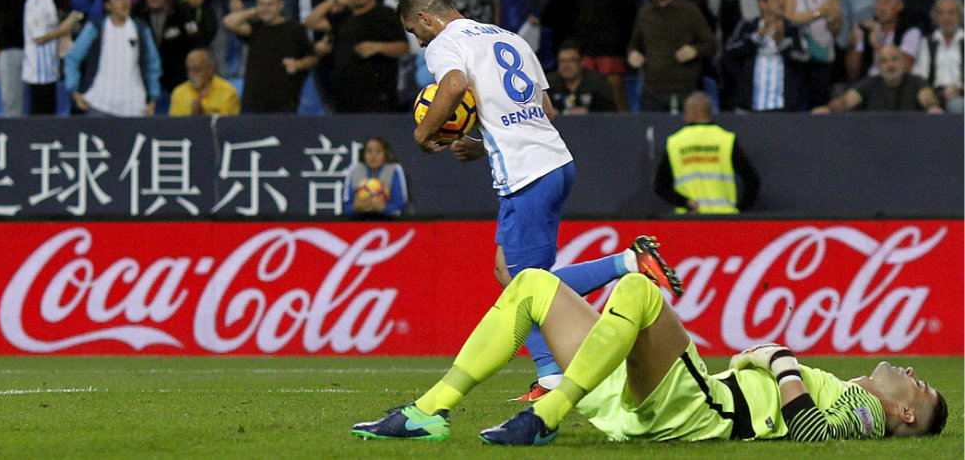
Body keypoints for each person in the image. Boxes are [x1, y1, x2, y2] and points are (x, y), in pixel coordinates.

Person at [351, 238, 949, 446]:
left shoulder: (866, 412)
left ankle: (548, 414)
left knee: (638, 290)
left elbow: (808, 432)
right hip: (653, 398)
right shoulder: (849, 392)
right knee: (533, 285)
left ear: (903, 411)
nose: (910, 372)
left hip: (698, 412)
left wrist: (780, 359)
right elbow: (753, 368)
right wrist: (761, 361)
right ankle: (428, 413)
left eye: (918, 388)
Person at [395, 0, 683, 402]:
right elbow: (546, 109)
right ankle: (549, 371)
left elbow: (453, 87)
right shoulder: (508, 37)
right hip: (555, 162)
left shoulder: (445, 43)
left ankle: (627, 264)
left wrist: (423, 133)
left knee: (529, 288)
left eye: (413, 30)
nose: (418, 41)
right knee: (506, 272)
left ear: (424, 17)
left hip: (527, 174)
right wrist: (484, 143)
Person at [304, 0, 409, 112]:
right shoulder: (343, 16)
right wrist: (333, 1)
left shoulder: (385, 14)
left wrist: (378, 47)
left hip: (378, 97)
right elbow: (311, 22)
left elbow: (404, 47)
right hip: (345, 97)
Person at [64, 0, 162, 117]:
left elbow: (153, 64)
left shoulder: (140, 29)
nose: (124, 2)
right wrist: (74, 91)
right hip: (98, 105)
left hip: (135, 107)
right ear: (107, 5)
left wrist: (152, 98)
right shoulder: (95, 28)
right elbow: (72, 58)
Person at [627, 0, 716, 113]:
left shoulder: (690, 11)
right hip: (652, 90)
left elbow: (712, 44)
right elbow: (634, 45)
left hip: (684, 89)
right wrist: (632, 55)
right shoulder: (645, 13)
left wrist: (694, 50)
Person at [654, 92, 759, 214]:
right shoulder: (726, 139)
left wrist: (685, 202)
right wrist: (740, 213)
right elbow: (752, 182)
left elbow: (660, 186)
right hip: (724, 219)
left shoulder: (675, 143)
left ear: (689, 111)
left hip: (689, 219)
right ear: (708, 111)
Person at [555, 0, 639, 112]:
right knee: (581, 93)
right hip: (581, 47)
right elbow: (566, 8)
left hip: (612, 48)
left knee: (615, 94)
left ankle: (624, 132)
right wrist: (570, 42)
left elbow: (628, 9)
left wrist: (624, 45)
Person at [225, 0, 319, 112]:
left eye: (270, 4)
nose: (265, 8)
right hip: (253, 103)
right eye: (261, 4)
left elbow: (313, 58)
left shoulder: (295, 29)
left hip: (284, 103)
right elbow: (229, 22)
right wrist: (254, 12)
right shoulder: (255, 28)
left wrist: (298, 65)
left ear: (281, 4)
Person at [132, 0, 218, 102]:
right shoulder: (136, 12)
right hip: (144, 75)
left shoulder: (182, 10)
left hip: (178, 75)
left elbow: (197, 43)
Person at [723, 0, 808, 112]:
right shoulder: (748, 26)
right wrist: (757, 36)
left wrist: (782, 44)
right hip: (748, 107)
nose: (782, 2)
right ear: (763, 3)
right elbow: (729, 52)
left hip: (785, 109)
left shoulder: (792, 29)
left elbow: (804, 59)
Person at [22, 0, 81, 115]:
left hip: (50, 66)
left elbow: (53, 27)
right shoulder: (33, 4)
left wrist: (68, 22)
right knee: (41, 114)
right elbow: (39, 38)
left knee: (51, 111)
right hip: (38, 71)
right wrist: (61, 31)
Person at [780, 0, 841, 110]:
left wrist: (833, 19)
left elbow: (836, 30)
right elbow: (789, 17)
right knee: (796, 104)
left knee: (819, 104)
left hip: (823, 55)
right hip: (797, 58)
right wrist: (819, 12)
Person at [813, 44, 943, 113]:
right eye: (884, 61)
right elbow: (847, 101)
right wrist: (828, 109)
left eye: (894, 59)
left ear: (903, 62)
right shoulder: (870, 83)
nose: (890, 65)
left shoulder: (916, 81)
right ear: (878, 66)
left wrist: (932, 107)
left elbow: (927, 97)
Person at [846, 0, 923, 81]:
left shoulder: (910, 31)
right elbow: (853, 73)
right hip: (868, 84)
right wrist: (854, 46)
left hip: (895, 85)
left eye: (886, 2)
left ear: (899, 6)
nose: (881, 7)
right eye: (878, 2)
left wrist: (876, 45)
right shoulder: (867, 29)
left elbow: (904, 67)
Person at [912, 0, 963, 114]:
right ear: (936, 17)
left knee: (957, 105)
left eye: (951, 13)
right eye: (941, 13)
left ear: (960, 15)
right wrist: (930, 101)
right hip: (934, 96)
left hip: (961, 95)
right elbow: (920, 77)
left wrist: (960, 90)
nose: (946, 18)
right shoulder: (926, 43)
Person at [342, 137, 409, 218]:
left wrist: (384, 208)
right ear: (364, 154)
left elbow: (400, 208)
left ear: (385, 154)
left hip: (389, 225)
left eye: (378, 151)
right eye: (369, 151)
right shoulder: (354, 169)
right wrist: (356, 208)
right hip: (359, 224)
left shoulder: (395, 169)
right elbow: (347, 207)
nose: (373, 156)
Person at [546, 41, 617, 114]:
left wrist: (589, 113)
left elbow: (610, 113)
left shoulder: (597, 82)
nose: (566, 66)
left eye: (571, 61)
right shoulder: (548, 83)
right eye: (562, 61)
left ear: (581, 63)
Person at [169, 48, 241, 115]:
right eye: (189, 69)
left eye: (196, 70)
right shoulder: (178, 93)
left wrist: (203, 114)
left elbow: (231, 125)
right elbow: (174, 126)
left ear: (210, 70)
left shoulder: (228, 93)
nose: (191, 75)